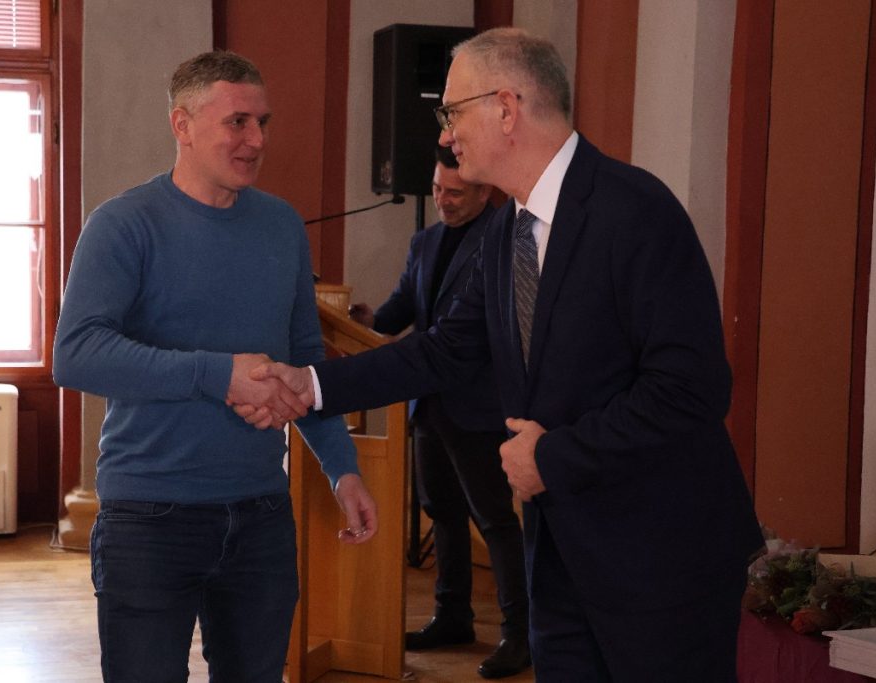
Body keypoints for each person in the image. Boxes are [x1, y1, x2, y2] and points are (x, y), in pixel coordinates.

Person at [237, 28, 764, 682]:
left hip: (659, 559)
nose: (446, 134)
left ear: (507, 108)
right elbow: (443, 353)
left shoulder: (635, 211)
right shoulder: (506, 231)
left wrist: (553, 456)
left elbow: (691, 389)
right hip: (562, 558)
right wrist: (311, 386)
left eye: (452, 112)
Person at [53, 50, 378, 683]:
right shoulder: (123, 224)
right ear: (183, 124)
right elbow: (77, 353)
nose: (257, 140)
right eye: (237, 122)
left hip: (260, 514)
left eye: (263, 122)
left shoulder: (282, 226)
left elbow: (305, 362)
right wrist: (218, 375)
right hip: (148, 519)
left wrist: (342, 469)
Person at [349, 145, 530, 679]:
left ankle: (521, 633)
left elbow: (490, 328)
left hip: (478, 403)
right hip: (427, 402)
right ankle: (453, 616)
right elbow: (401, 310)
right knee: (441, 511)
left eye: (454, 193)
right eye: (436, 190)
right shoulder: (424, 242)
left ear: (484, 190)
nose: (443, 201)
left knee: (494, 520)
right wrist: (368, 322)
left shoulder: (505, 238)